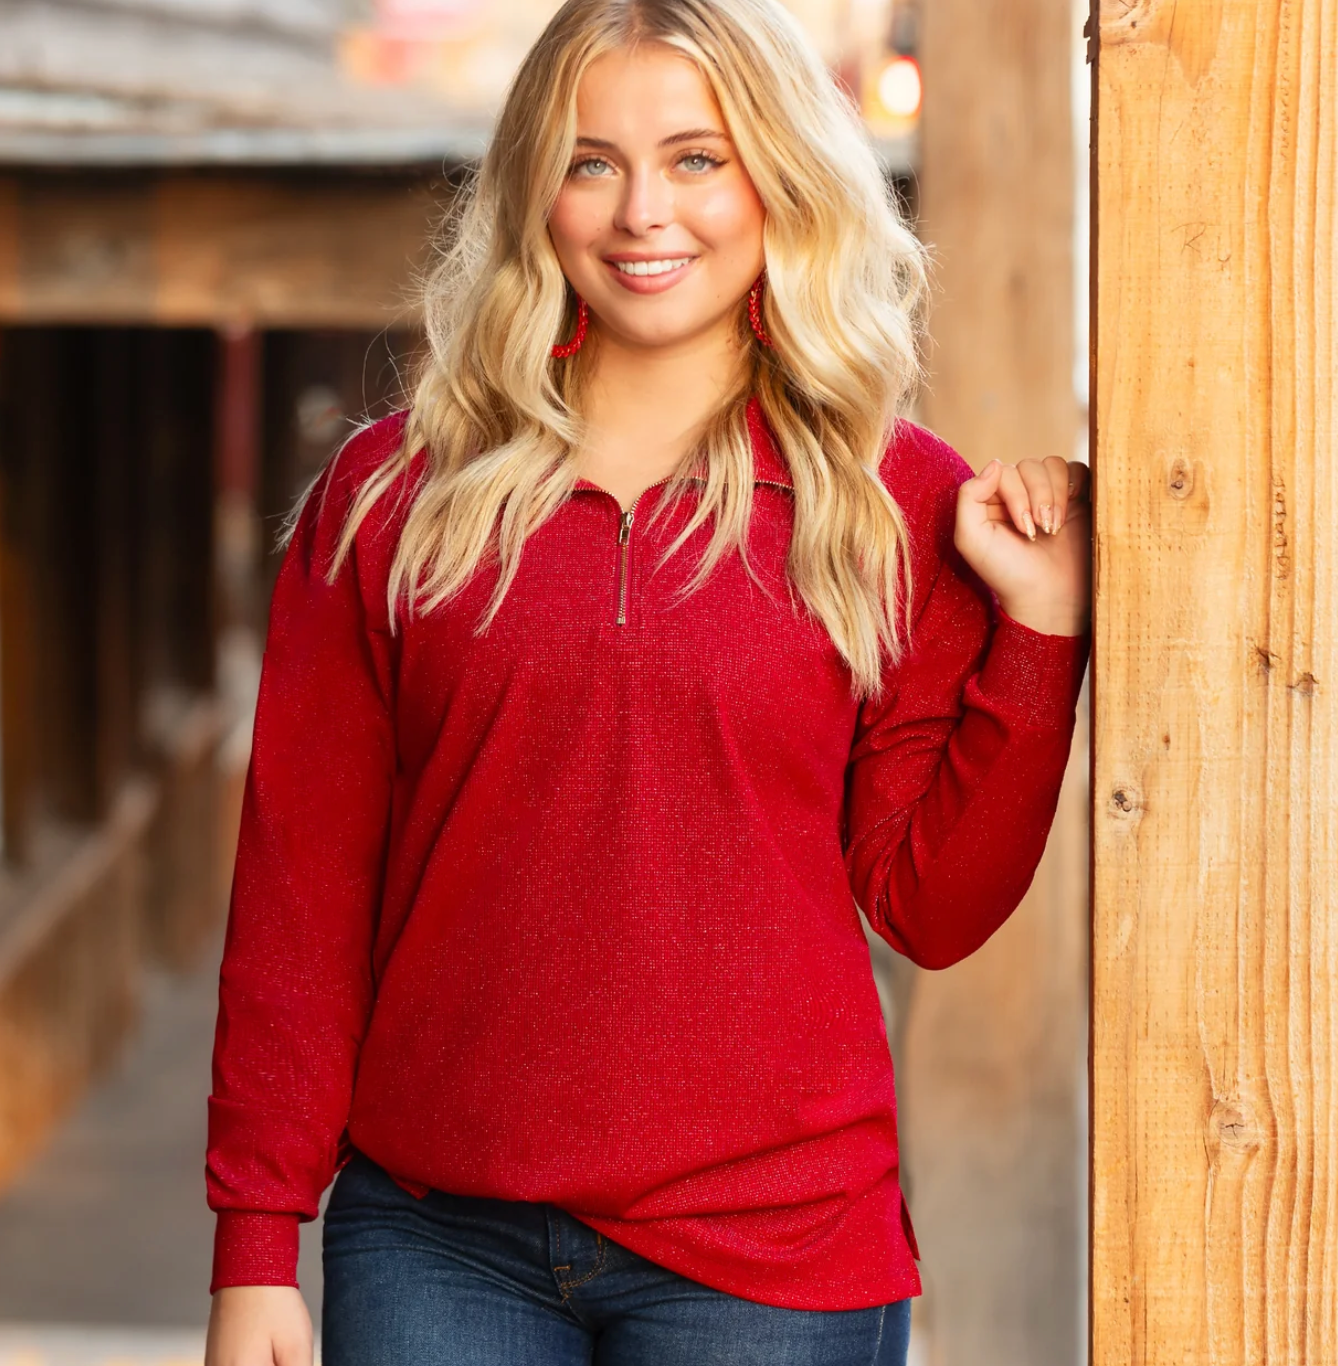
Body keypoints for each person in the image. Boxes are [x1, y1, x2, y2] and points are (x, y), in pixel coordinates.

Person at [203, 0, 1091, 1361]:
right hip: (439, 1242)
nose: (641, 213)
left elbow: (931, 900)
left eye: (696, 158)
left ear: (776, 179)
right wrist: (257, 1240)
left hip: (774, 1256)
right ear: (533, 190)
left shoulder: (896, 504)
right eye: (591, 160)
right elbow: (301, 888)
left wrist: (1036, 633)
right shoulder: (394, 498)